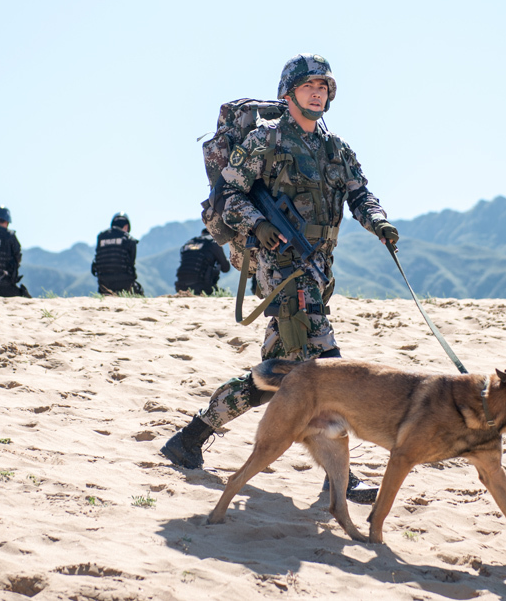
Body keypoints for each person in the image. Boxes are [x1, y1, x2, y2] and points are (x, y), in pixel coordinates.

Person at [161, 53, 400, 503]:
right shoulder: (264, 141)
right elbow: (228, 194)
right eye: (308, 86)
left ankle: (189, 438)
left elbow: (360, 194)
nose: (317, 93)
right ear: (288, 94)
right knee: (331, 370)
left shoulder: (336, 149)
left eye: (323, 86)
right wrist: (258, 224)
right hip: (282, 269)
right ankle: (340, 479)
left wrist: (379, 222)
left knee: (275, 375)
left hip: (318, 268)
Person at [91, 212, 144, 296]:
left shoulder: (101, 237)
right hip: (125, 285)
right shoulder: (129, 240)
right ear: (126, 226)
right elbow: (131, 264)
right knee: (138, 289)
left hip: (104, 285)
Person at [174, 227, 230, 295]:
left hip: (180, 286)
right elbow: (226, 268)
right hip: (201, 287)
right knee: (226, 294)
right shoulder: (213, 243)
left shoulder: (189, 243)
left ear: (202, 233)